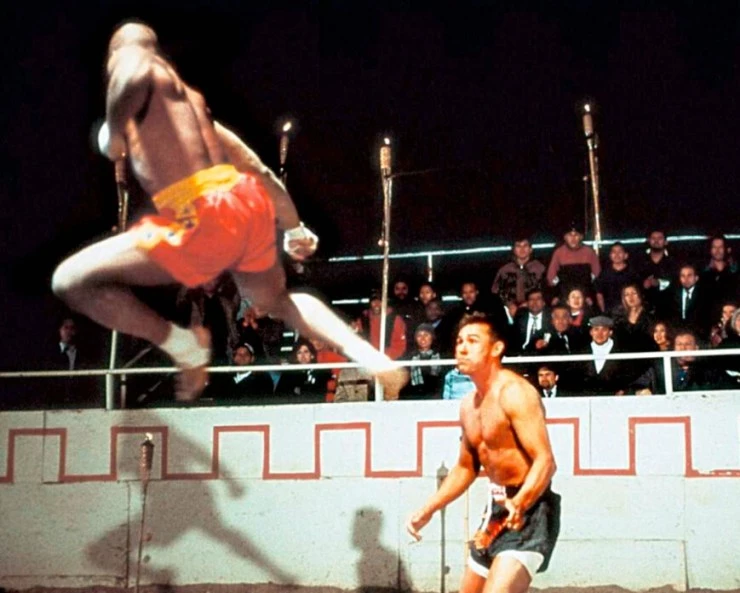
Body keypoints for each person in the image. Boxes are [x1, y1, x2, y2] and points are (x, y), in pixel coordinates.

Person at [51, 22, 406, 401]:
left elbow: (134, 68)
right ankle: (368, 354)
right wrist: (295, 229)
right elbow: (262, 172)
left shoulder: (137, 65)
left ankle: (180, 343)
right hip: (243, 205)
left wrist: (113, 129)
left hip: (198, 215)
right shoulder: (199, 116)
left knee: (69, 281)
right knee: (278, 302)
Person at [407, 314, 560, 593]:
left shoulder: (515, 393)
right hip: (496, 510)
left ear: (496, 348)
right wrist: (428, 509)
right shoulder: (468, 406)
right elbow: (465, 468)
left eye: (472, 341)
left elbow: (546, 462)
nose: (462, 348)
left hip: (530, 510)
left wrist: (521, 502)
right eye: (459, 342)